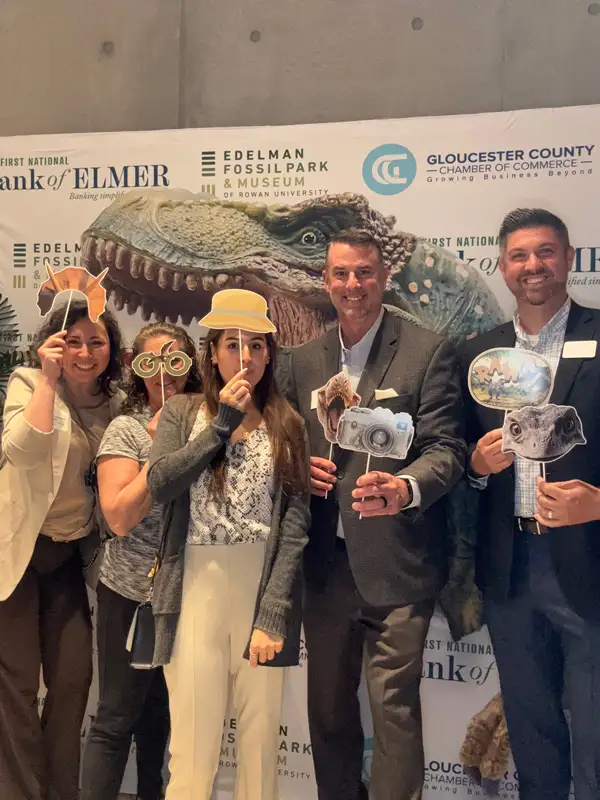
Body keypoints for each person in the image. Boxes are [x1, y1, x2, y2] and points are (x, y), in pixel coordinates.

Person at [278, 228, 465, 800]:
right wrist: (295, 469)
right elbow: (281, 445)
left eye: (364, 273)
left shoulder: (427, 349)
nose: (352, 285)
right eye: (340, 273)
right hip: (325, 565)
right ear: (324, 280)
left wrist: (405, 488)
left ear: (384, 277)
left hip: (400, 564)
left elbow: (447, 450)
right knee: (329, 713)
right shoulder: (300, 361)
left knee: (394, 714)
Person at [146, 291, 311, 800]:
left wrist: (274, 614)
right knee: (193, 756)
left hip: (261, 596)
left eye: (257, 346)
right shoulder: (181, 411)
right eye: (233, 345)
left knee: (261, 757)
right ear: (212, 352)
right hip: (195, 591)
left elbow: (296, 523)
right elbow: (161, 483)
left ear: (269, 354)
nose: (246, 357)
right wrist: (220, 426)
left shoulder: (289, 422)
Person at [461, 208, 600, 800]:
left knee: (595, 732)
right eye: (519, 256)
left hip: (588, 566)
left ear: (569, 259)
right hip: (510, 568)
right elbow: (455, 454)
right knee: (532, 728)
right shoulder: (478, 353)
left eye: (546, 252)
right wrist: (475, 465)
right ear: (503, 267)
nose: (533, 266)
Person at [0, 299, 124, 800]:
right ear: (53, 344)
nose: (85, 352)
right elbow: (21, 448)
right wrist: (48, 379)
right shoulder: (29, 384)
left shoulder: (117, 403)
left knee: (73, 681)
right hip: (17, 553)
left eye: (96, 341)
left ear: (111, 348)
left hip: (68, 556)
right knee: (16, 685)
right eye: (72, 340)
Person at [81, 322, 202, 800]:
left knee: (161, 722)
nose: (164, 375)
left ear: (192, 366)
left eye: (176, 362)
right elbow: (119, 515)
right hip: (130, 594)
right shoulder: (127, 428)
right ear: (135, 367)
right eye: (151, 363)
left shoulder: (210, 426)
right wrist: (162, 450)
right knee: (116, 718)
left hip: (189, 593)